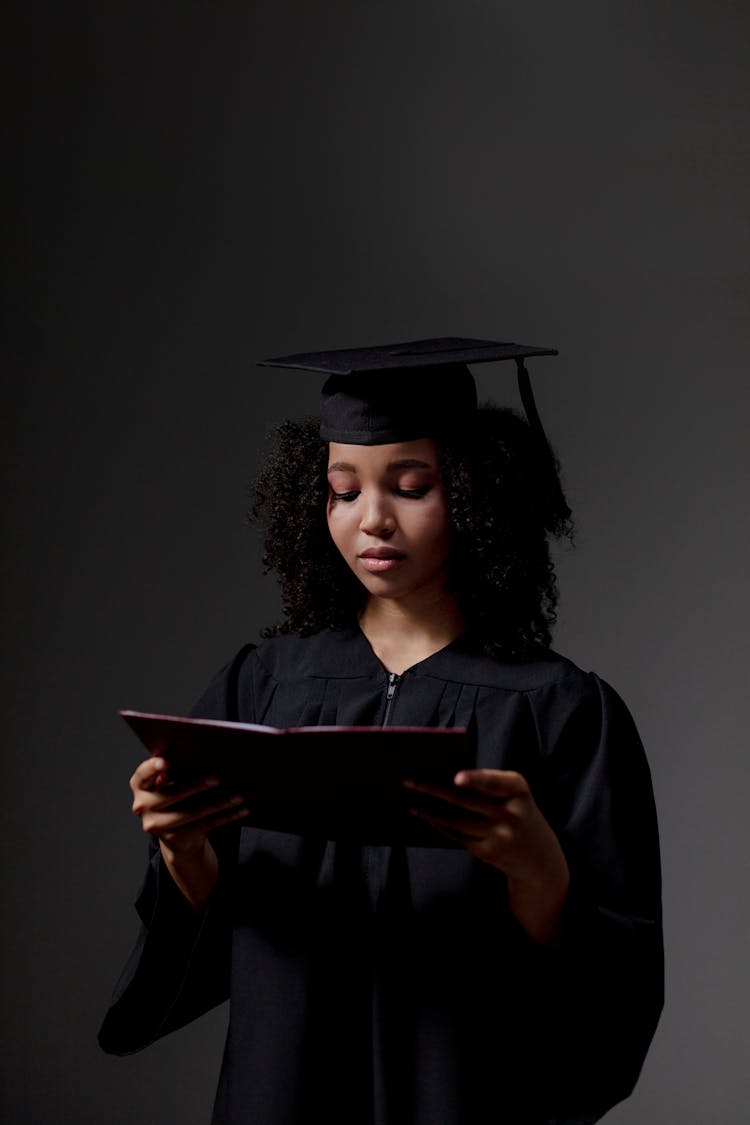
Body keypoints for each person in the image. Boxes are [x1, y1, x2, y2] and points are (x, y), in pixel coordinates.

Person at [99, 337, 664, 1125]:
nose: (372, 519)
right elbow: (209, 944)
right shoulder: (264, 685)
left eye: (411, 485)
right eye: (341, 489)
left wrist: (542, 876)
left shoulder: (559, 711)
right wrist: (182, 853)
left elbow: (618, 997)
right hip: (283, 1091)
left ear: (473, 489)